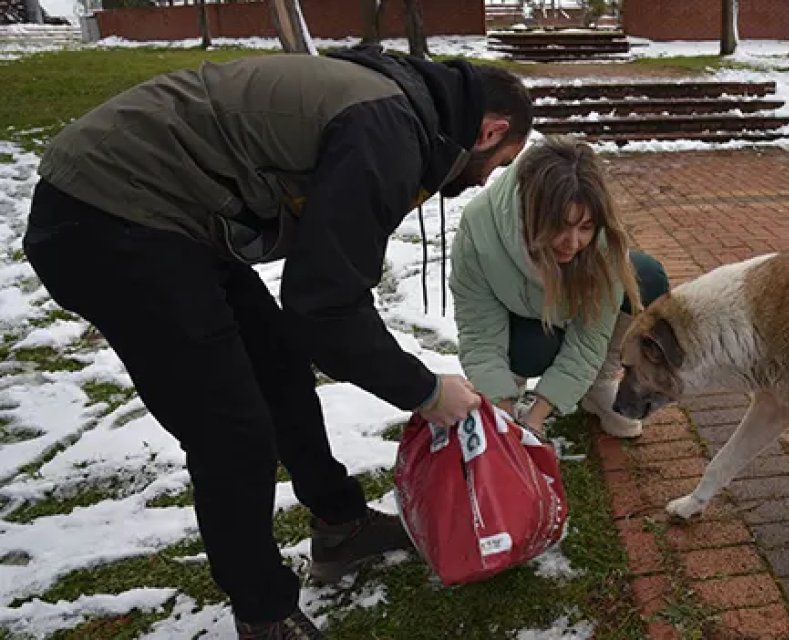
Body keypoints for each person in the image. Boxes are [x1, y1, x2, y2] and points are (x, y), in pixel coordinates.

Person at [21, 44, 532, 639]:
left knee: (280, 366)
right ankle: (264, 615)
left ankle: (341, 526)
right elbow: (326, 308)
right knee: (232, 430)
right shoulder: (389, 129)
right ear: (490, 130)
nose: (486, 180)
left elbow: (318, 300)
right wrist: (424, 390)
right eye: (500, 162)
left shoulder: (399, 108)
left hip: (171, 213)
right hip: (108, 214)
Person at [449, 135, 670, 439]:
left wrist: (536, 419)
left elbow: (590, 337)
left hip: (567, 317)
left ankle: (599, 385)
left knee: (646, 275)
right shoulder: (479, 228)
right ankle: (507, 393)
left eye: (586, 228)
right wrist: (506, 410)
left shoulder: (603, 239)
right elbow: (480, 335)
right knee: (531, 350)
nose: (574, 243)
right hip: (522, 323)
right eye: (560, 226)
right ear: (531, 214)